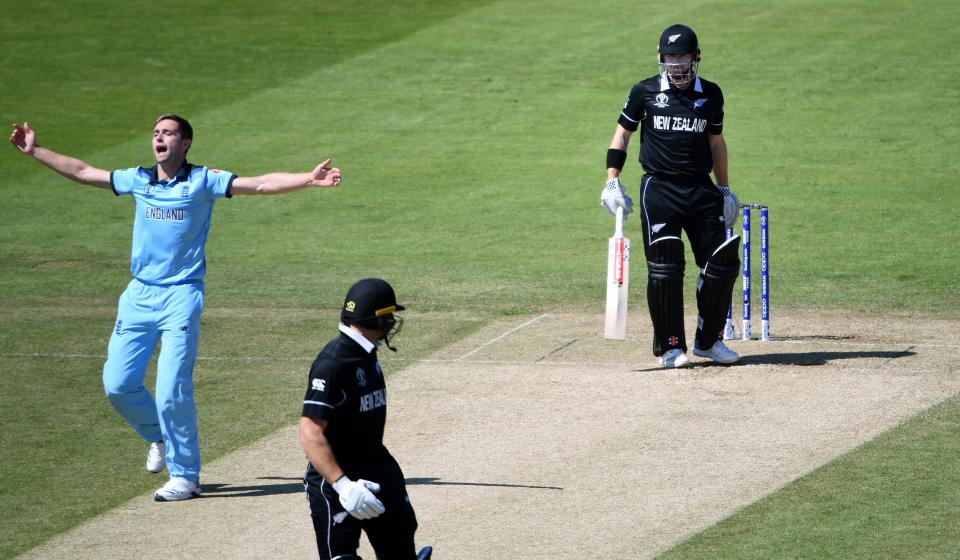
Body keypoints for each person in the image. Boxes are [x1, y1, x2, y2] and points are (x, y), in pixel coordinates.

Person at [9, 115, 342, 501]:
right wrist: (35, 150)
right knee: (117, 385)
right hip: (138, 296)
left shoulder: (202, 180)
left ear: (185, 144)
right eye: (155, 133)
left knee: (171, 389)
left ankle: (186, 475)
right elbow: (84, 172)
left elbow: (261, 183)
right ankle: (157, 436)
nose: (159, 138)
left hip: (181, 296)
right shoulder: (138, 179)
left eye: (168, 133)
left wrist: (308, 178)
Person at [600, 24, 741, 368]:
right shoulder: (644, 92)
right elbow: (622, 135)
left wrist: (723, 188)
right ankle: (671, 348)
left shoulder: (711, 94)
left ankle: (709, 342)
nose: (677, 64)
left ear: (695, 58)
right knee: (665, 267)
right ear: (662, 59)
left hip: (700, 188)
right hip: (659, 189)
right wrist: (612, 181)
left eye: (683, 57)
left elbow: (716, 143)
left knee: (721, 265)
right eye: (670, 57)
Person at [298, 278, 432, 560]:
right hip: (337, 481)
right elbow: (310, 433)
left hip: (378, 467)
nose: (392, 322)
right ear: (375, 320)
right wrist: (343, 486)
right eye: (388, 316)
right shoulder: (332, 364)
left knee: (400, 548)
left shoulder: (367, 354)